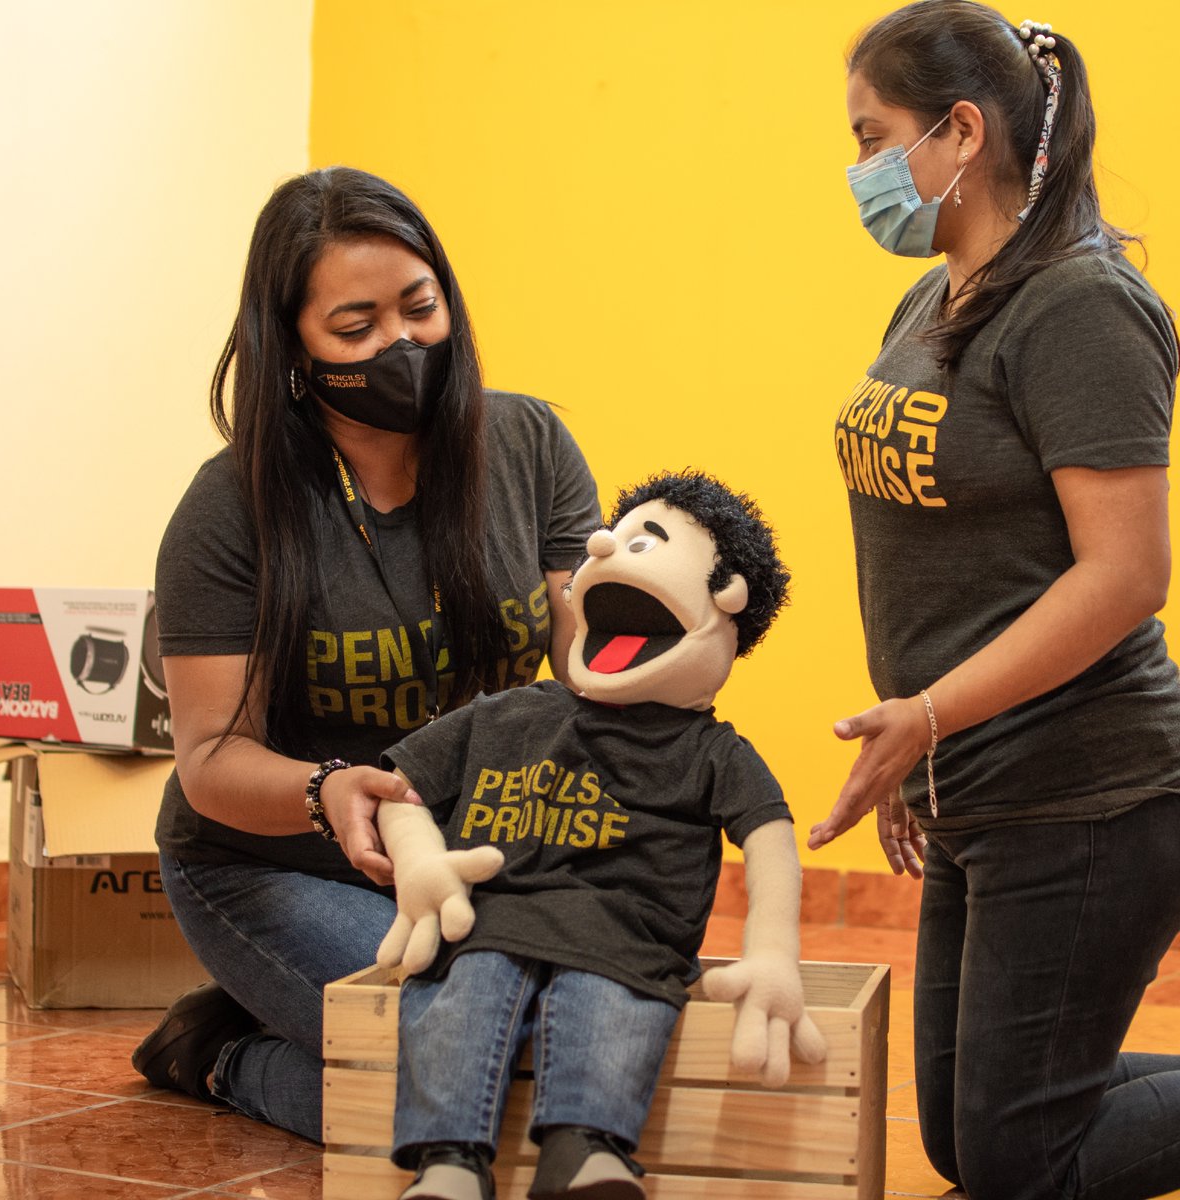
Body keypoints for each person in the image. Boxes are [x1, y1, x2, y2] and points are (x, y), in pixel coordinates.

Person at [130, 166, 601, 1144]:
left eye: (420, 306)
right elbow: (212, 759)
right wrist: (327, 789)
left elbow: (583, 655)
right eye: (357, 328)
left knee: (570, 1035)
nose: (404, 343)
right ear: (294, 348)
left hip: (456, 857)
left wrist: (661, 656)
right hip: (267, 862)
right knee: (447, 1067)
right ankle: (220, 1052)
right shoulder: (230, 510)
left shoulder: (530, 444)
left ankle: (294, 1013)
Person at [807, 4, 1180, 1199]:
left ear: (961, 132)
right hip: (973, 775)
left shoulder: (1080, 305)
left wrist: (930, 714)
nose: (860, 169)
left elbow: (1124, 576)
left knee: (1021, 1158)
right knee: (965, 1143)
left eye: (874, 137)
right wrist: (921, 740)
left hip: (1088, 790)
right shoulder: (938, 298)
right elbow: (940, 554)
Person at [372, 471, 824, 1200]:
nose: (611, 546)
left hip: (625, 945)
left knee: (608, 1006)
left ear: (725, 603)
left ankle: (586, 1154)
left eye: (652, 541)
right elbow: (398, 785)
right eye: (619, 536)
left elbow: (768, 832)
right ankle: (448, 1165)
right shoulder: (512, 714)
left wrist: (773, 953)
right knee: (462, 999)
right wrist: (420, 858)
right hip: (484, 928)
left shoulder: (711, 752)